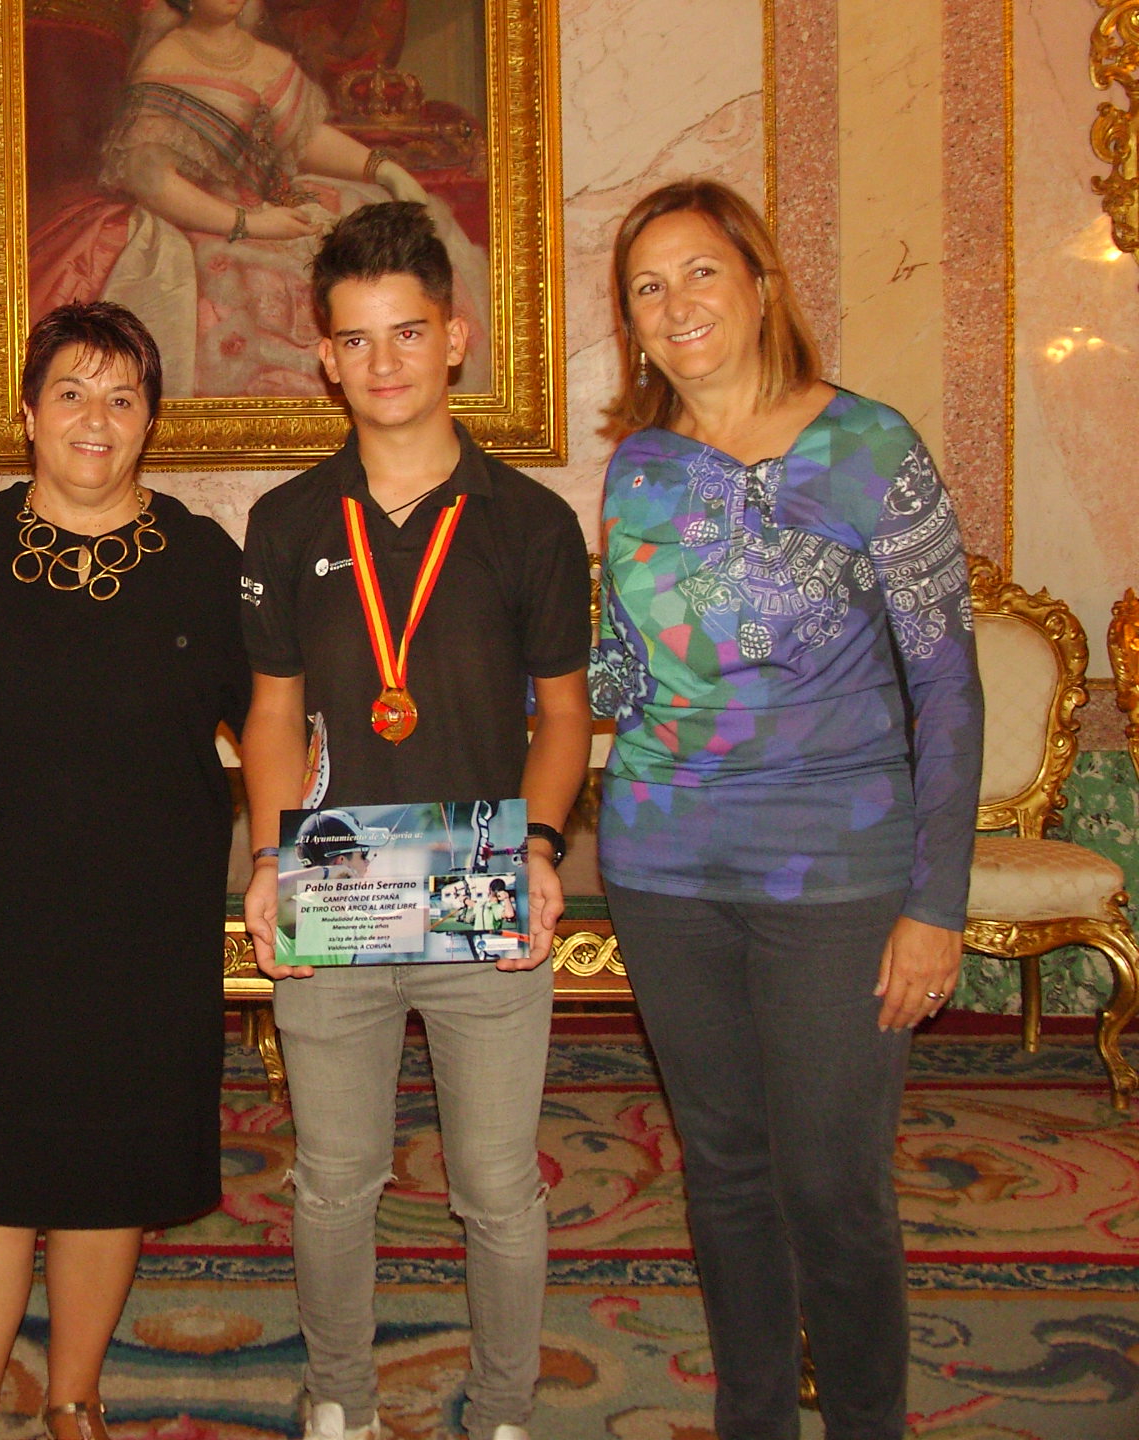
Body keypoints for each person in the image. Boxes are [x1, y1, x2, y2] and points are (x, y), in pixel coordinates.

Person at [590, 178, 983, 1439]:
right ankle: (752, 1417)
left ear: (761, 284)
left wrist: (937, 903)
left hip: (839, 873)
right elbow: (618, 673)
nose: (676, 304)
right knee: (725, 1171)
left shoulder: (872, 448)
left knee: (833, 1183)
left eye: (700, 271)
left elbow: (948, 687)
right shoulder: (637, 472)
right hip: (662, 868)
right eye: (647, 288)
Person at [240, 201, 593, 1440]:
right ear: (324, 359)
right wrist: (271, 859)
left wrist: (541, 847)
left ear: (456, 337)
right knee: (335, 1181)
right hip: (336, 889)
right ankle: (339, 1395)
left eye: (407, 332)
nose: (383, 360)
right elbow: (272, 716)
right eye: (356, 338)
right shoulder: (288, 521)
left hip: (484, 885)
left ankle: (502, 1409)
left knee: (496, 1187)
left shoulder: (532, 524)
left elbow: (563, 718)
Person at [0, 301, 250, 1440]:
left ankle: (72, 1397)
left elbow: (278, 722)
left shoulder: (203, 562)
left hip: (147, 916)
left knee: (114, 1158)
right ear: (27, 413)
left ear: (152, 419)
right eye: (70, 393)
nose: (95, 419)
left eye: (121, 396)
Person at [29, 0, 490, 397]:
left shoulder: (266, 58)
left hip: (279, 201)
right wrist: (250, 223)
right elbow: (153, 181)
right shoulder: (166, 61)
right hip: (203, 221)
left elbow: (304, 139)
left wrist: (384, 169)